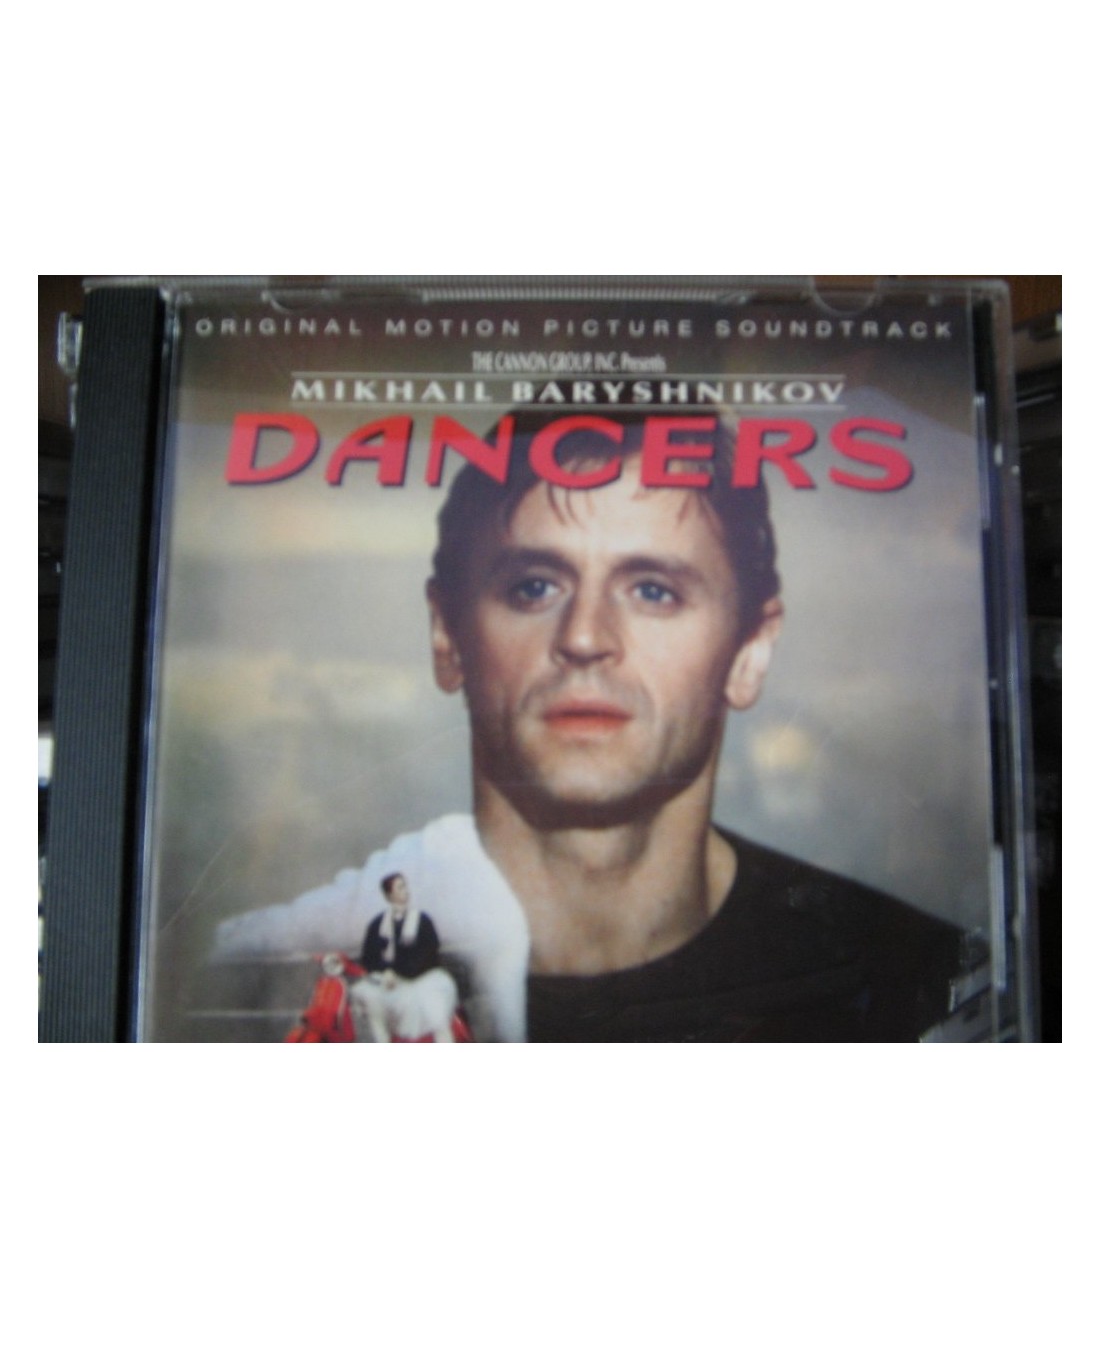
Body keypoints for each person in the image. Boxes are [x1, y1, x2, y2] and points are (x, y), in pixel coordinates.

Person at [215, 410, 962, 1040]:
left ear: (750, 651)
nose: (583, 637)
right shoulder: (261, 984)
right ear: (448, 637)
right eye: (534, 587)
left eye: (654, 590)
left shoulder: (921, 988)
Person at [348, 873, 460, 1043]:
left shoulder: (422, 921)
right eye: (400, 887)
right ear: (389, 895)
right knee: (371, 999)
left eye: (405, 886)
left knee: (435, 1011)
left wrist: (400, 971)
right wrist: (386, 972)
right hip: (391, 982)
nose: (406, 891)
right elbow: (368, 958)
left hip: (423, 979)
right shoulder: (377, 924)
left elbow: (430, 954)